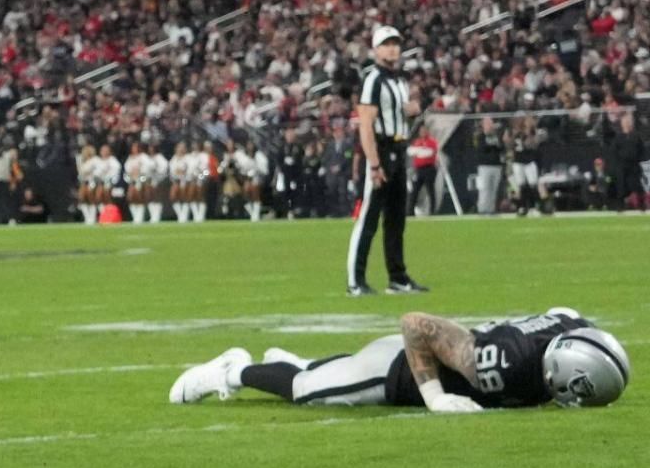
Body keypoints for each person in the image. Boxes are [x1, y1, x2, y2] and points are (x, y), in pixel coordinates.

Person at [170, 308, 628, 412]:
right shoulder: (506, 361)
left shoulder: (570, 326)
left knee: (318, 375)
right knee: (305, 392)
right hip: (398, 371)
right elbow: (416, 325)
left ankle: (302, 361)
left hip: (420, 360)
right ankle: (232, 370)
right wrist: (434, 396)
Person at [347, 26, 427, 295]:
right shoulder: (373, 80)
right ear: (376, 49)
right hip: (381, 150)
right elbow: (366, 125)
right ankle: (355, 281)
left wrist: (411, 111)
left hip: (399, 148)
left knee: (396, 219)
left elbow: (399, 114)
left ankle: (398, 277)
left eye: (396, 43)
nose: (393, 48)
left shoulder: (399, 80)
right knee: (368, 219)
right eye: (387, 44)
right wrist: (374, 164)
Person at [474, 119, 505, 215]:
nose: (490, 126)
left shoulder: (497, 136)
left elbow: (501, 148)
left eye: (491, 123)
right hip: (484, 166)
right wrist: (493, 145)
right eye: (488, 124)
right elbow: (481, 148)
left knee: (494, 189)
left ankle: (491, 209)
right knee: (484, 188)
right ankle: (482, 209)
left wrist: (497, 144)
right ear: (483, 125)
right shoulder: (480, 136)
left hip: (496, 165)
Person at [408, 127, 439, 215]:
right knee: (415, 191)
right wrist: (420, 150)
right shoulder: (417, 141)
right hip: (419, 169)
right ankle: (410, 212)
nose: (423, 133)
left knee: (430, 190)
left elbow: (429, 153)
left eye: (424, 131)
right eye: (421, 131)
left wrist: (419, 151)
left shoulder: (432, 142)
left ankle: (432, 211)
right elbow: (411, 151)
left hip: (429, 168)